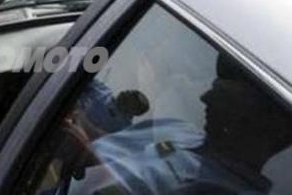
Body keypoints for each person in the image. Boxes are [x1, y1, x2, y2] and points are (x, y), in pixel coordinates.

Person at [62, 56, 292, 194]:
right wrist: (79, 123)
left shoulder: (226, 189)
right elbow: (119, 151)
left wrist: (85, 155)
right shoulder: (179, 132)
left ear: (264, 120)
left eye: (224, 94)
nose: (205, 97)